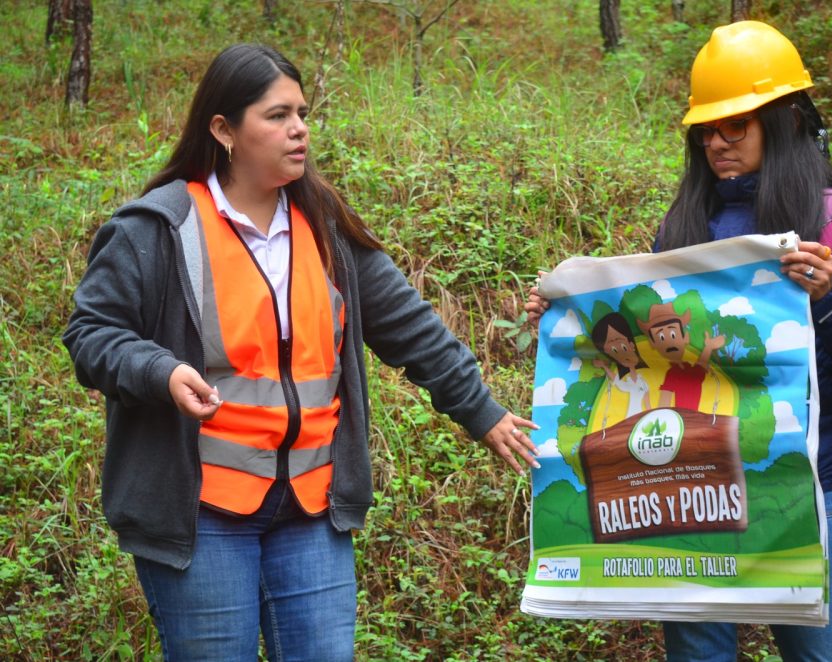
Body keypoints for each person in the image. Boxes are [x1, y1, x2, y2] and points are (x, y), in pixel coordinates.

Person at [63, 43, 540, 661]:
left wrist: (483, 412)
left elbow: (411, 328)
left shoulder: (326, 227)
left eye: (303, 114)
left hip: (312, 508)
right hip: (202, 511)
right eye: (277, 115)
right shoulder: (156, 229)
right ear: (224, 129)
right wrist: (160, 369)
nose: (299, 130)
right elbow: (90, 334)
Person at [526, 20, 832, 660]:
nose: (717, 142)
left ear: (783, 122)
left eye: (736, 125)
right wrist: (563, 316)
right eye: (707, 128)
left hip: (803, 492)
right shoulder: (683, 229)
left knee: (820, 653)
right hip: (686, 486)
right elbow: (639, 354)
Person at [590, 312, 651, 418]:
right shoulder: (627, 380)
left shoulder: (643, 380)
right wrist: (604, 367)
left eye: (623, 346)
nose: (621, 354)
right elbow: (618, 382)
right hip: (631, 415)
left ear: (631, 345)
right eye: (613, 350)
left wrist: (652, 414)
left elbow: (647, 401)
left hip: (642, 416)